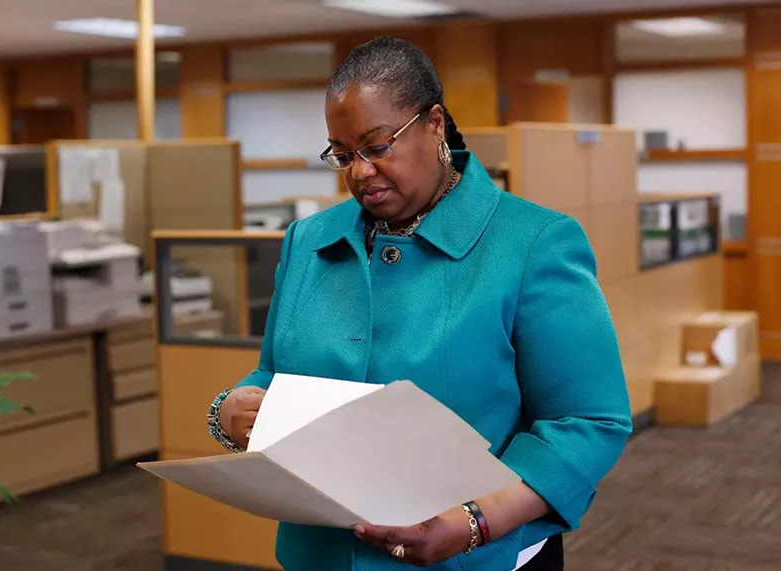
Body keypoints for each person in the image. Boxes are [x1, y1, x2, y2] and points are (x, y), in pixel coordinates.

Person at [207, 36, 632, 571]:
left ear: (434, 125)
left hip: (476, 556)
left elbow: (588, 420)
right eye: (342, 155)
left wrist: (479, 520)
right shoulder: (307, 241)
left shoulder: (533, 243)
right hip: (321, 554)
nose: (359, 171)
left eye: (377, 146)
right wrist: (233, 408)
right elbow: (274, 372)